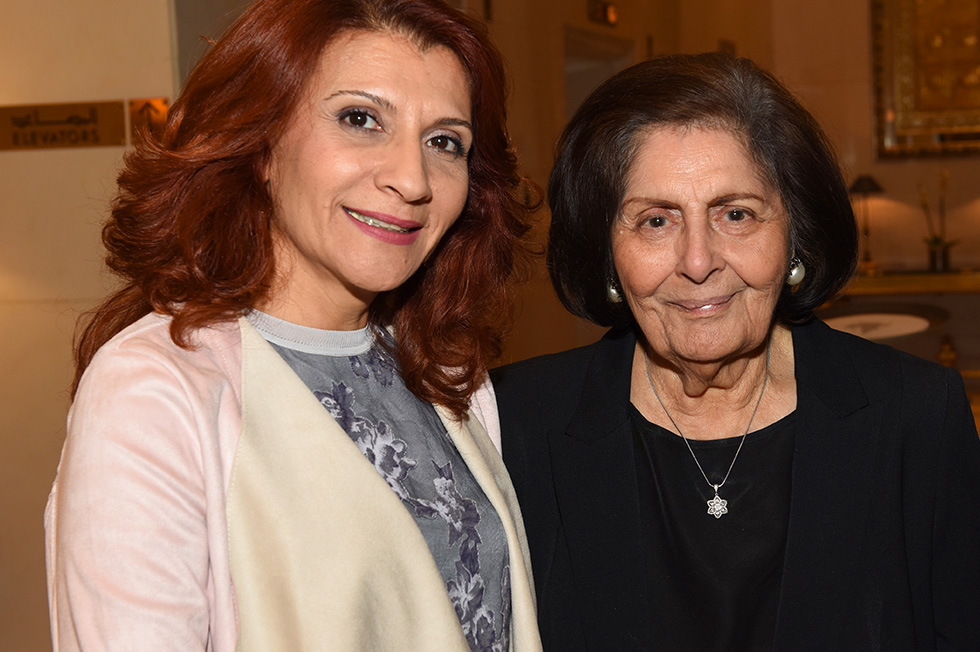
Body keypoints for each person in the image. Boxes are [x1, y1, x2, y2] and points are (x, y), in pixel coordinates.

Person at [44, 0, 543, 650]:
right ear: (261, 144)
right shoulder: (154, 390)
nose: (412, 179)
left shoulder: (447, 375)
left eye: (444, 141)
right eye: (360, 119)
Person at [491, 53, 980, 651]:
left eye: (736, 214)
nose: (698, 262)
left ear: (795, 233)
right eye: (655, 221)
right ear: (607, 253)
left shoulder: (917, 415)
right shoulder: (515, 425)